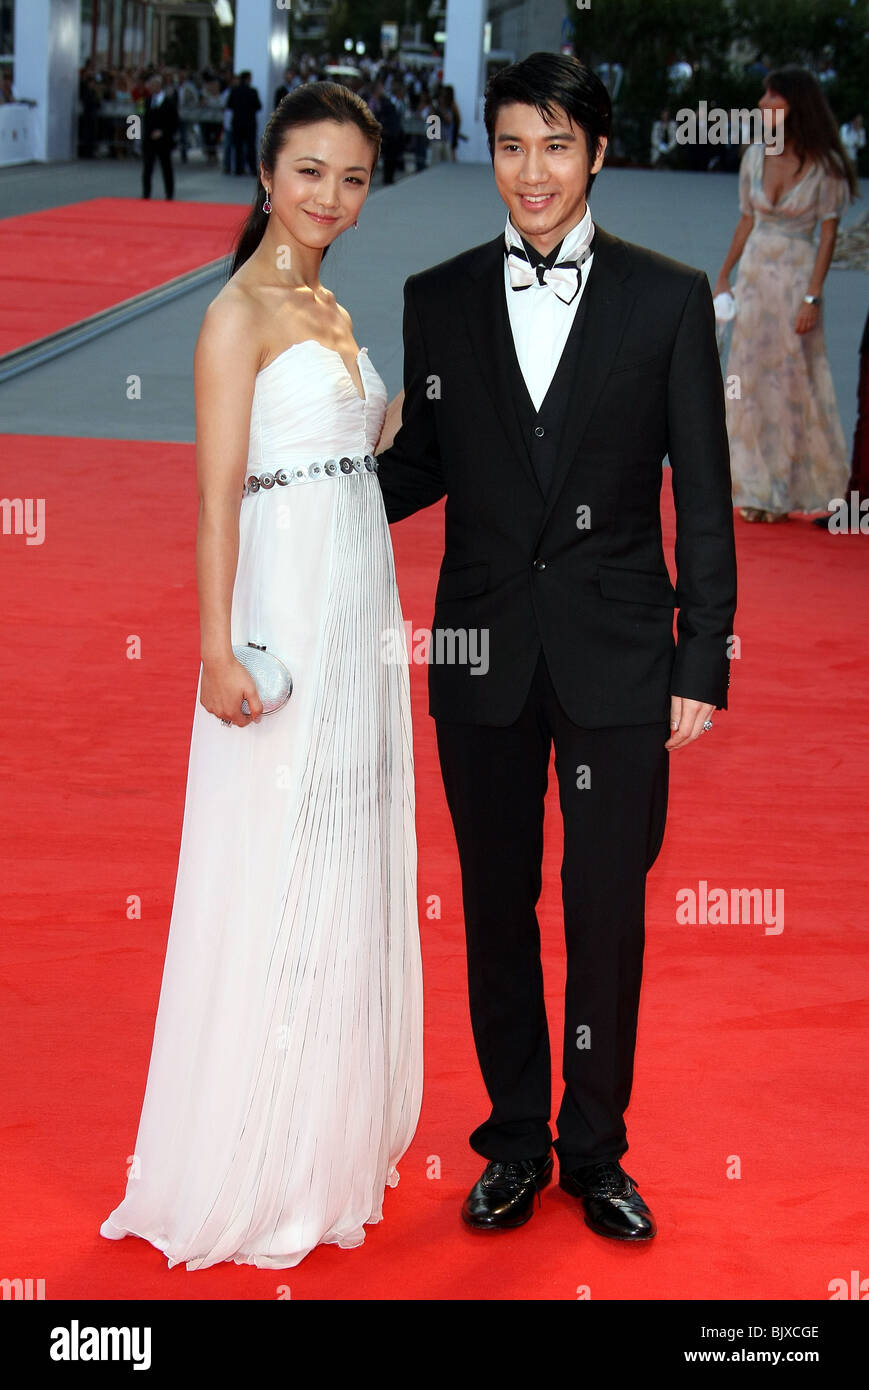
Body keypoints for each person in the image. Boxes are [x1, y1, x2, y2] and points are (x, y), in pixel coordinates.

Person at [375, 51, 736, 1240]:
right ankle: (514, 1141)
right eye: (511, 146)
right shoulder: (437, 297)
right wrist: (320, 472)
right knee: (493, 903)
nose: (531, 173)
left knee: (603, 912)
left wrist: (702, 656)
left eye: (556, 145)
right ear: (491, 153)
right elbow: (420, 468)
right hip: (480, 649)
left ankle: (594, 1150)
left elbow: (705, 488)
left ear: (595, 152)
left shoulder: (666, 295)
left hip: (622, 652)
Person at [100, 82, 423, 1271]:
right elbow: (213, 500)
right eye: (307, 173)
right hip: (282, 597)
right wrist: (213, 649)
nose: (329, 196)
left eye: (350, 176)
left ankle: (321, 1137)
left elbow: (361, 445)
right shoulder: (238, 312)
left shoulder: (327, 300)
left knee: (342, 846)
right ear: (265, 173)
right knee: (278, 851)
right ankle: (255, 1150)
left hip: (358, 591)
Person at [714, 67, 857, 522]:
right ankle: (753, 487)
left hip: (797, 281)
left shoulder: (825, 166)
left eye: (771, 98)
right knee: (748, 383)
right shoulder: (755, 155)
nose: (761, 104)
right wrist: (723, 275)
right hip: (755, 279)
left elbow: (829, 234)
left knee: (794, 383)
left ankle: (791, 488)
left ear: (794, 105)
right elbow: (744, 219)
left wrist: (813, 297)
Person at [141, 73, 178, 200]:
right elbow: (143, 118)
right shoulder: (147, 101)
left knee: (166, 167)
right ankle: (146, 193)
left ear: (158, 86)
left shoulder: (169, 103)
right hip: (149, 140)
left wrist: (163, 132)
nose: (150, 87)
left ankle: (169, 193)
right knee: (147, 168)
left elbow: (174, 122)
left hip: (164, 140)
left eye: (152, 85)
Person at [228, 69, 262, 176]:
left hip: (237, 122)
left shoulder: (234, 91)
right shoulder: (252, 91)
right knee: (250, 146)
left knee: (238, 146)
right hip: (249, 123)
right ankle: (252, 168)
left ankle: (239, 169)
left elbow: (229, 105)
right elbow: (258, 106)